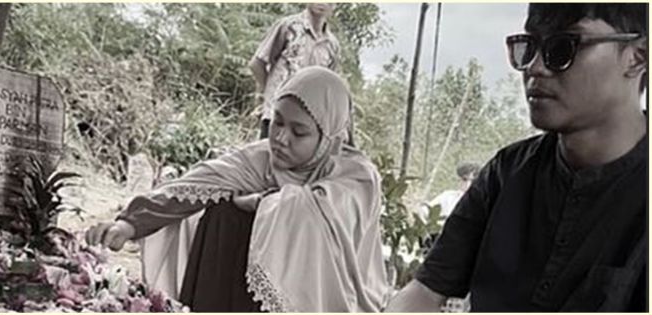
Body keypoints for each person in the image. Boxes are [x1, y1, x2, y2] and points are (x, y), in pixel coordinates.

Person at [385, 3, 647, 312]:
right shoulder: (506, 172)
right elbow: (426, 290)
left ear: (636, 58)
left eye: (564, 47)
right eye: (528, 47)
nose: (535, 67)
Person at [87, 67, 390, 312]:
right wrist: (129, 223)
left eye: (299, 132)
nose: (281, 139)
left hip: (320, 297)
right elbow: (197, 184)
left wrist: (260, 205)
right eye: (278, 122)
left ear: (329, 139)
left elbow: (319, 215)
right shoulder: (263, 158)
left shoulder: (358, 177)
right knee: (223, 208)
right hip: (231, 296)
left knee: (262, 213)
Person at [249, 3, 341, 139]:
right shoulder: (288, 27)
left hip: (303, 127)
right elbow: (257, 64)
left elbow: (325, 88)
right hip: (276, 118)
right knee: (267, 159)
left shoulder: (332, 45)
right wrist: (270, 95)